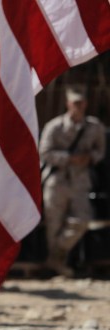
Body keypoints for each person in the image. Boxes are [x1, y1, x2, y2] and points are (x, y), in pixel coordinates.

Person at [40, 85, 106, 277]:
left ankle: (57, 257)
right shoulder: (54, 126)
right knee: (54, 224)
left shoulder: (94, 127)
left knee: (81, 220)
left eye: (82, 102)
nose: (79, 106)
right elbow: (44, 152)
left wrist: (89, 158)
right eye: (75, 103)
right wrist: (68, 158)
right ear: (68, 104)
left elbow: (100, 151)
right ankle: (57, 266)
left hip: (80, 180)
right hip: (56, 180)